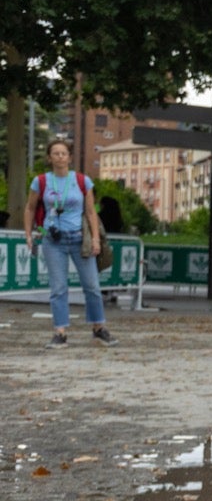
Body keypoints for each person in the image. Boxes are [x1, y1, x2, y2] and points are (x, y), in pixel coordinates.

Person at [22, 139, 116, 348]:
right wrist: (29, 234)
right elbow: (30, 208)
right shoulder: (41, 181)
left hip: (78, 239)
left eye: (63, 153)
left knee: (91, 285)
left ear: (70, 157)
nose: (60, 157)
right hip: (52, 240)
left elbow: (91, 212)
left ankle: (98, 328)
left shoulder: (82, 181)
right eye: (55, 153)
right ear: (49, 158)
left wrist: (96, 240)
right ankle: (60, 332)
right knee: (58, 288)